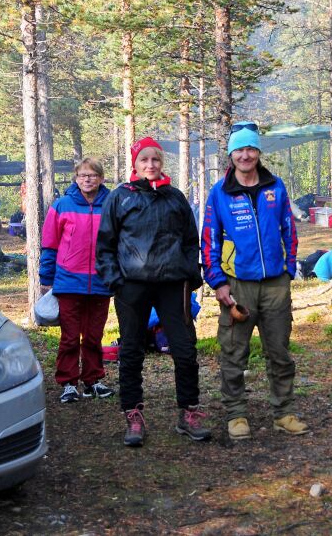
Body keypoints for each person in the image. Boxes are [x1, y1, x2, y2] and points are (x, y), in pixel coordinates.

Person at [96, 137, 208, 447]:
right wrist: (116, 281)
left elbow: (190, 239)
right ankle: (133, 415)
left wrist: (190, 274)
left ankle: (189, 413)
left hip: (173, 285)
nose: (150, 165)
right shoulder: (120, 198)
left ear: (162, 163)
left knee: (185, 350)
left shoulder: (175, 198)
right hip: (132, 287)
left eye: (155, 160)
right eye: (144, 160)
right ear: (135, 163)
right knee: (131, 352)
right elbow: (105, 245)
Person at [202, 121, 307, 440]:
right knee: (234, 352)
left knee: (280, 350)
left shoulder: (275, 186)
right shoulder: (219, 193)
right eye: (239, 150)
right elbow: (209, 241)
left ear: (258, 152)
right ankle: (236, 415)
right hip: (237, 285)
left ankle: (284, 412)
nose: (245, 155)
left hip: (276, 283)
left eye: (250, 149)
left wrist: (288, 268)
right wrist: (218, 282)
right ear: (231, 154)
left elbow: (289, 228)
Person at [40, 158, 114, 405]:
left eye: (92, 175)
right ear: (76, 178)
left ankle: (93, 380)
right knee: (70, 337)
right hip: (69, 282)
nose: (87, 179)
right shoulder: (62, 205)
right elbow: (49, 244)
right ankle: (68, 383)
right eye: (82, 175)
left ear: (101, 178)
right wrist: (46, 278)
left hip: (101, 281)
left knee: (94, 336)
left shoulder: (112, 204)